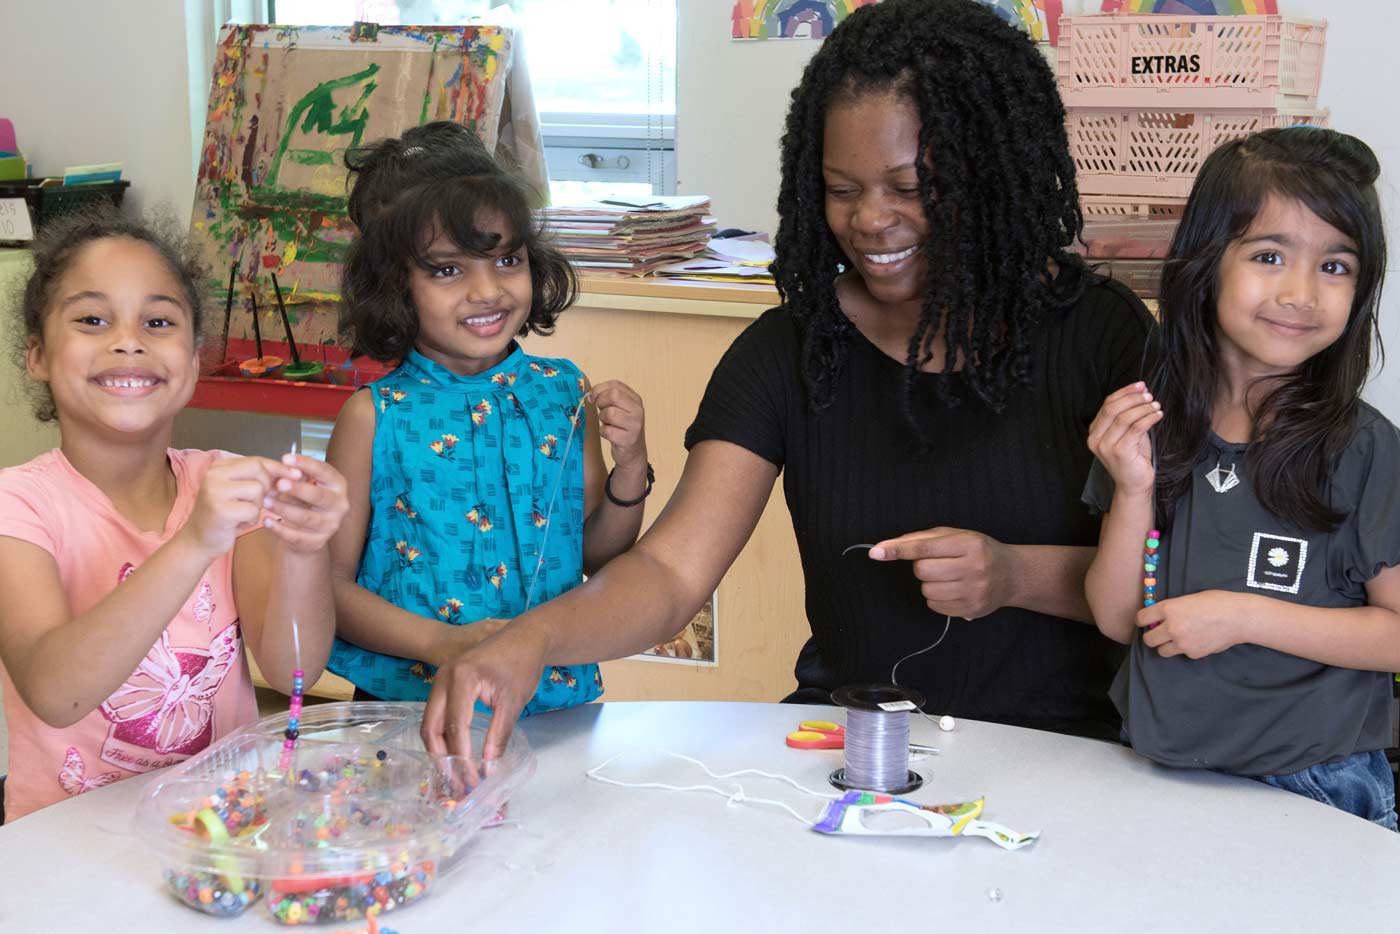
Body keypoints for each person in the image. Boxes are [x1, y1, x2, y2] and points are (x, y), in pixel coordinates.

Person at [418, 0, 1153, 758]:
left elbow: (1172, 583)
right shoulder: (791, 350)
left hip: (1072, 758)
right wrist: (529, 641)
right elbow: (670, 573)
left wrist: (1012, 575)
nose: (871, 219)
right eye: (842, 189)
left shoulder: (1099, 335)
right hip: (851, 751)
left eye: (909, 187)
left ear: (989, 176)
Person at [1085, 126, 1400, 829]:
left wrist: (1245, 616)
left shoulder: (1365, 448)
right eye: (1269, 255)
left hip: (1317, 785)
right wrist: (1133, 488)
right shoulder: (1152, 424)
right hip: (1163, 772)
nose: (1301, 293)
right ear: (1206, 263)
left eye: (1335, 266)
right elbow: (1114, 617)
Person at [0, 211, 347, 822]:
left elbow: (295, 667)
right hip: (65, 848)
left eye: (158, 322)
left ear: (192, 361)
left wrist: (302, 547)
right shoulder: (18, 507)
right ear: (37, 356)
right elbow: (55, 695)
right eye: (91, 320)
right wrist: (193, 543)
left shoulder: (226, 485)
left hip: (212, 828)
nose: (128, 340)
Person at [324, 131, 650, 713]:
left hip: (551, 696)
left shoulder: (563, 390)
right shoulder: (372, 418)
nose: (488, 290)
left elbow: (594, 558)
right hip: (405, 707)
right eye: (448, 270)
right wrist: (444, 643)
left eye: (506, 259)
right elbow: (330, 588)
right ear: (397, 286)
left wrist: (632, 468)